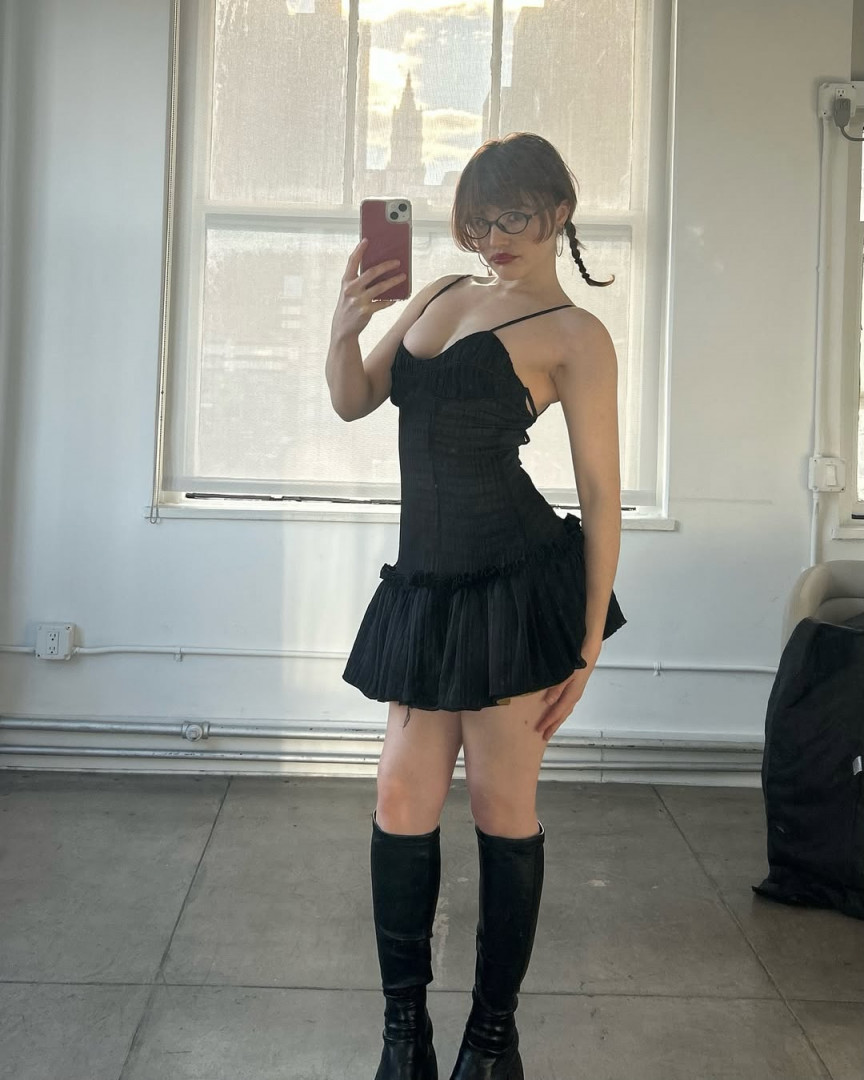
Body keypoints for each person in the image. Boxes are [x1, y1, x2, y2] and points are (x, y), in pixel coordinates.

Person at [326, 131, 627, 1080]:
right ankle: (404, 1039)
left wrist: (587, 643)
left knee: (502, 806)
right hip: (426, 587)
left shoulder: (575, 335)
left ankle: (492, 1043)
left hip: (513, 586)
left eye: (515, 217)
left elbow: (601, 493)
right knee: (400, 799)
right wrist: (343, 321)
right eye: (480, 220)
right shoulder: (440, 294)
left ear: (559, 214)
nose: (495, 237)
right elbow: (353, 399)